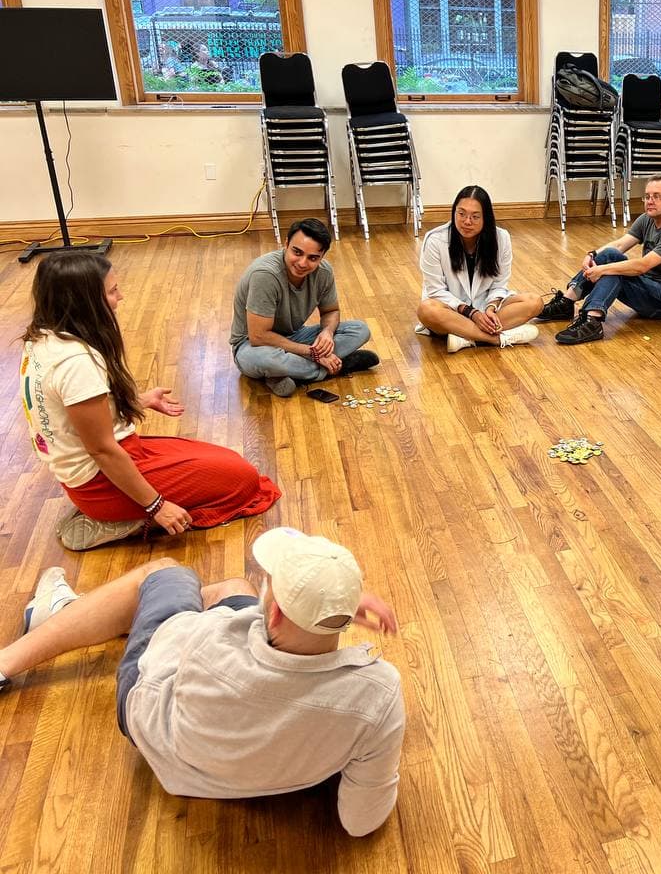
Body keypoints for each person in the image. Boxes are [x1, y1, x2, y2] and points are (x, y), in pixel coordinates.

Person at [0, 527, 405, 837]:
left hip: (159, 730)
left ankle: (33, 638)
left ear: (277, 614)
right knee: (235, 589)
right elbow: (360, 822)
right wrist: (330, 608)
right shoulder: (379, 694)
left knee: (165, 576)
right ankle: (83, 614)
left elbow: (157, 656)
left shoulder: (214, 637)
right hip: (266, 754)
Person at [21, 253, 280, 552]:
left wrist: (140, 400)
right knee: (245, 481)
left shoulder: (42, 339)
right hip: (101, 481)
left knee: (231, 462)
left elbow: (71, 418)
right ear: (85, 301)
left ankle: (118, 511)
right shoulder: (75, 363)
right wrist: (157, 506)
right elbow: (102, 449)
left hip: (103, 465)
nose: (120, 296)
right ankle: (125, 521)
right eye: (112, 291)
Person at [539, 174, 661, 345]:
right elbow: (620, 245)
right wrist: (592, 255)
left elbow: (642, 266)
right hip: (649, 286)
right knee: (609, 255)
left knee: (615, 271)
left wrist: (602, 270)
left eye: (657, 196)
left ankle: (593, 321)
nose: (650, 201)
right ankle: (567, 302)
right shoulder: (647, 219)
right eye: (647, 196)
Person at [230, 218, 380, 397]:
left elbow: (331, 311)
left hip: (295, 337)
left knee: (360, 330)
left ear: (322, 256)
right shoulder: (265, 275)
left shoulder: (324, 272)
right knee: (265, 360)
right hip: (253, 345)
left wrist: (327, 333)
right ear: (286, 244)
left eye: (313, 258)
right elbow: (258, 336)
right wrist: (313, 353)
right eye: (297, 252)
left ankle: (289, 373)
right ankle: (334, 367)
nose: (302, 263)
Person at [415, 185, 542, 352]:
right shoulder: (435, 239)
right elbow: (435, 290)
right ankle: (496, 339)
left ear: (486, 218)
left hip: (484, 309)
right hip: (452, 311)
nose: (467, 221)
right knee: (427, 310)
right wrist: (471, 313)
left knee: (535, 302)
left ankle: (466, 339)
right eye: (461, 214)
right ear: (454, 213)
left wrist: (490, 309)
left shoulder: (501, 238)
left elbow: (499, 284)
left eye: (475, 217)